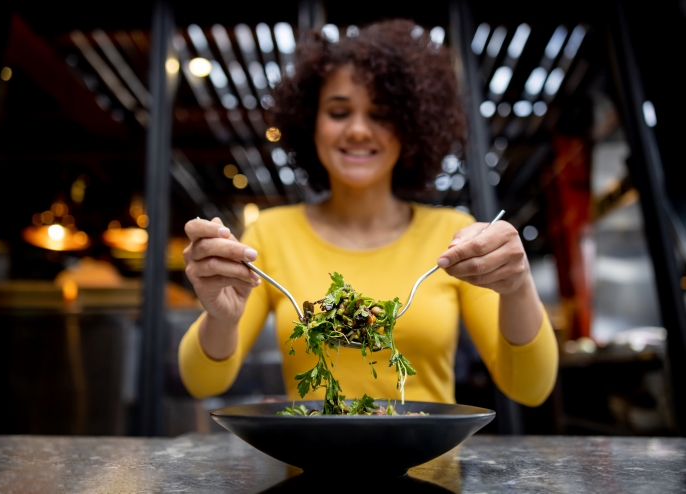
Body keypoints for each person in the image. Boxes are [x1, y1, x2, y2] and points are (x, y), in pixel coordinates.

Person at [178, 20, 558, 407]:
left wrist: (517, 286)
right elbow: (201, 383)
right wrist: (221, 317)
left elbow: (529, 388)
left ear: (411, 127)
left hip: (428, 464)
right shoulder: (271, 235)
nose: (359, 130)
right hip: (311, 463)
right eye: (339, 112)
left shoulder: (455, 236)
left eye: (380, 115)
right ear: (311, 123)